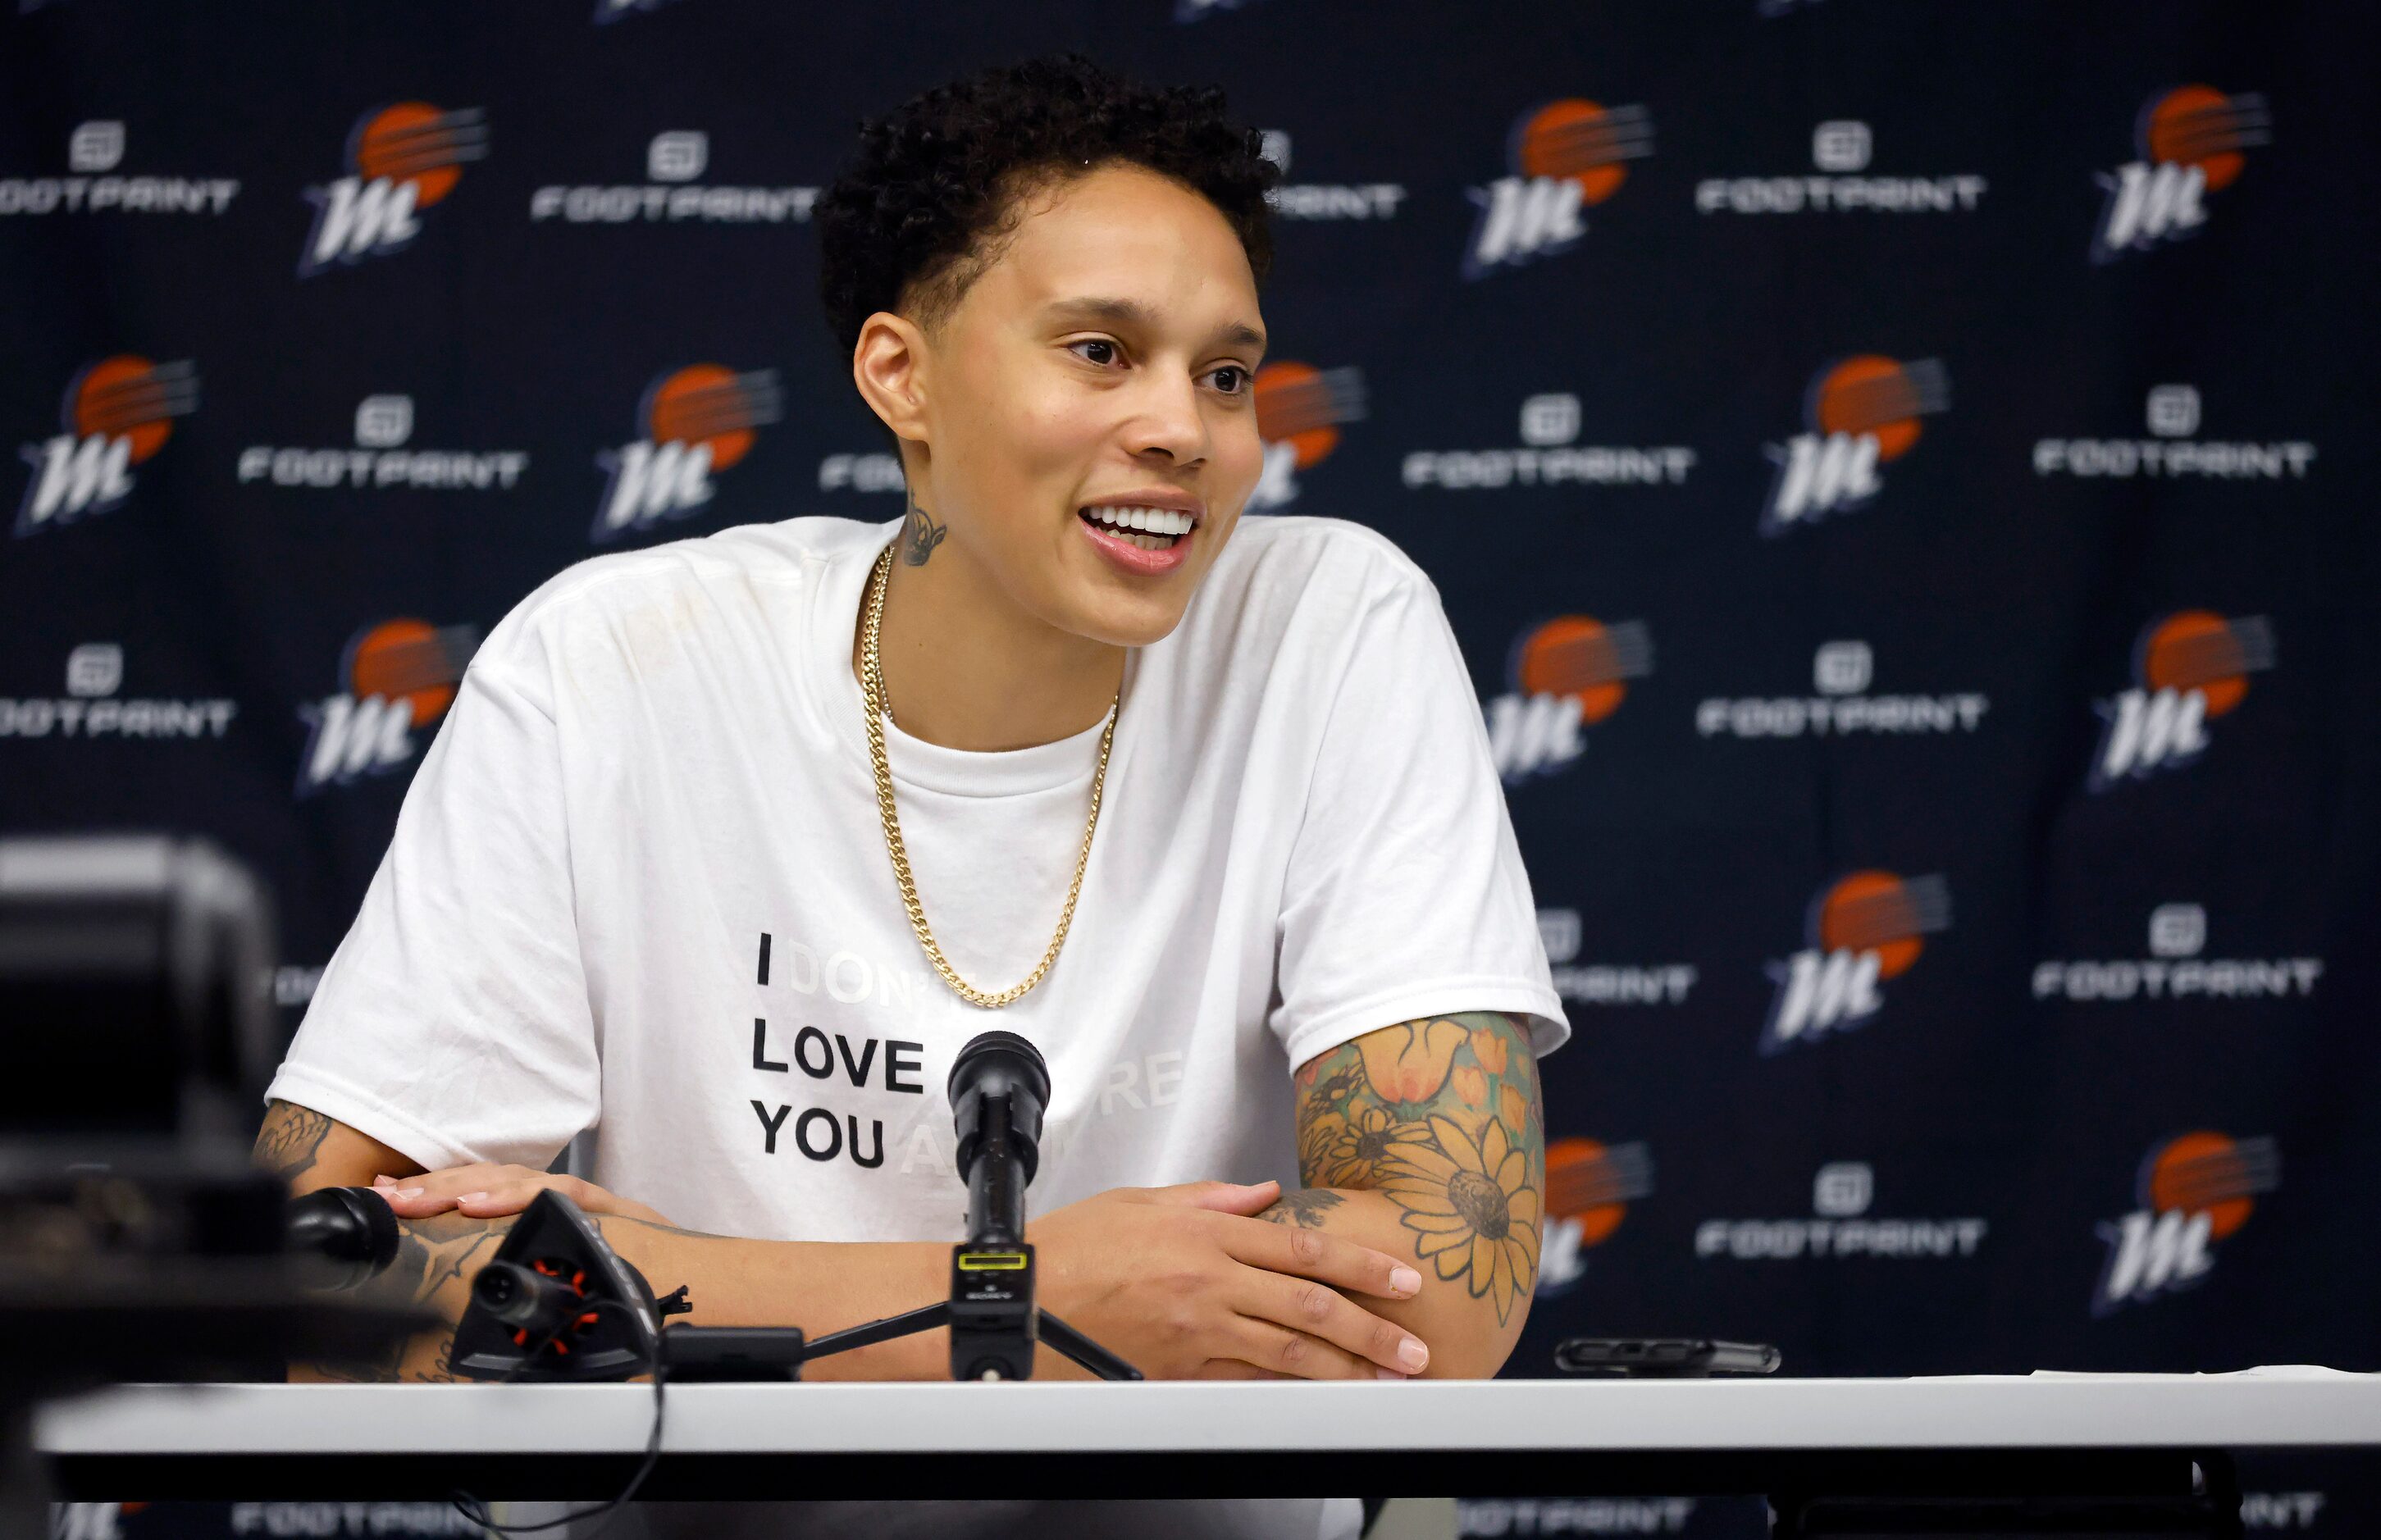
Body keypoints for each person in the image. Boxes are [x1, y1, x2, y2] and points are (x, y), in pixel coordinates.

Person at [254, 52, 1567, 1539]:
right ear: (903, 375)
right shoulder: (614, 660)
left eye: (1225, 372)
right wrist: (1026, 1307)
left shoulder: (1331, 623)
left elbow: (1440, 1294)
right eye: (1098, 351)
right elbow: (320, 1290)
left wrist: (663, 1289)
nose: (1186, 432)